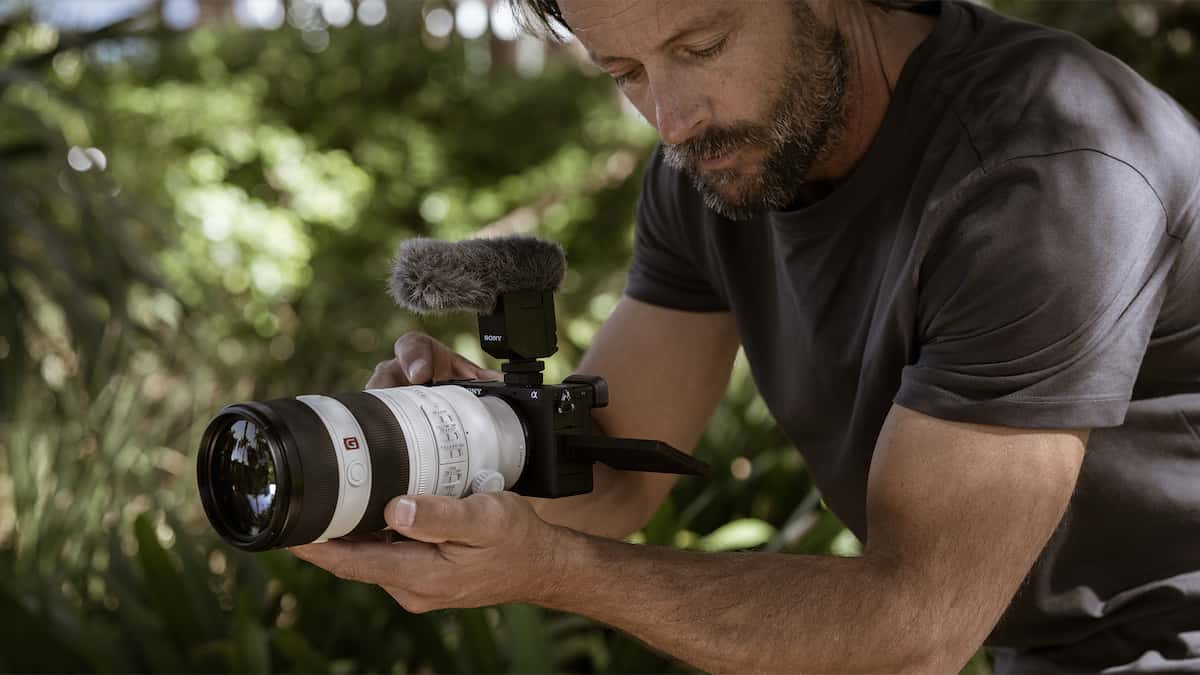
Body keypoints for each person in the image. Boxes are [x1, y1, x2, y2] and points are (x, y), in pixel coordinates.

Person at [289, 1, 1200, 672]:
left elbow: (914, 625)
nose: (673, 118)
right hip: (1045, 641)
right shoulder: (714, 168)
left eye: (704, 45)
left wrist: (553, 571)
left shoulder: (1046, 171)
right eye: (626, 74)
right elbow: (612, 477)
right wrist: (463, 447)